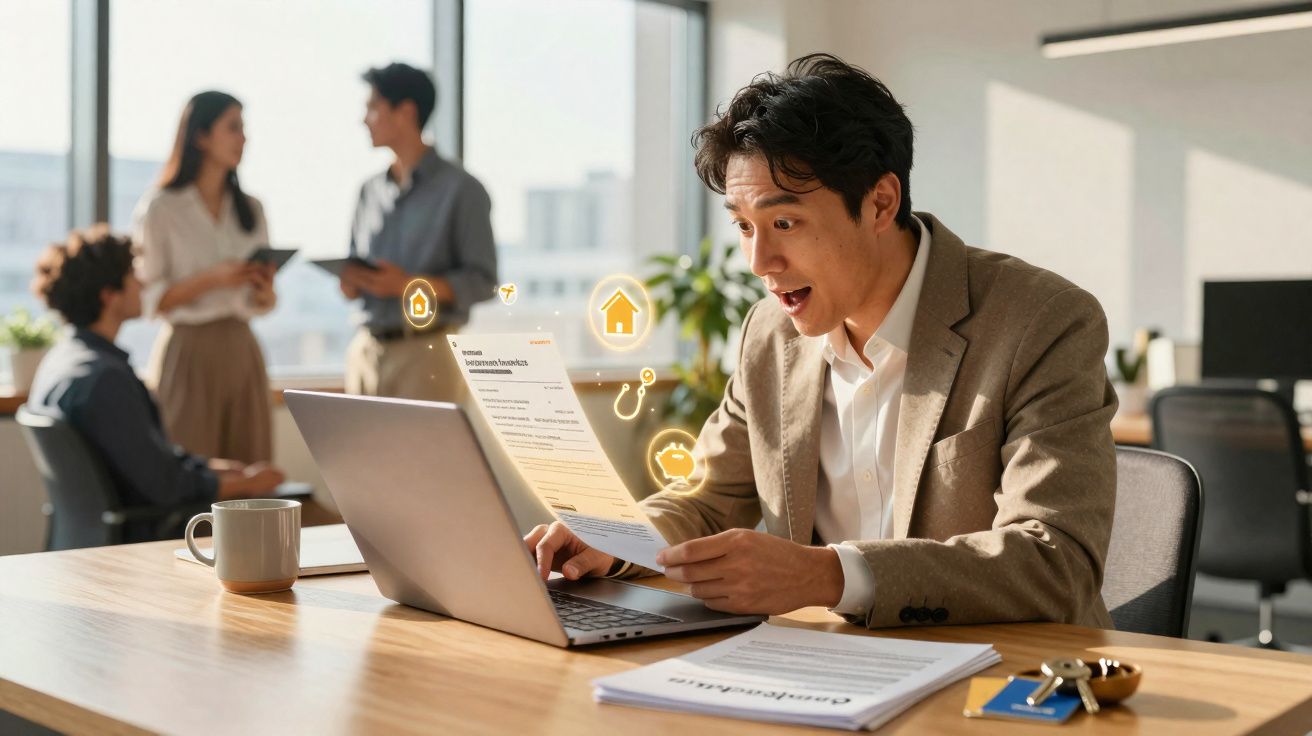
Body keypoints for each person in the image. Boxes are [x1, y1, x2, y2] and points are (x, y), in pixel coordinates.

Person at [527, 54, 1118, 630]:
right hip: (825, 672)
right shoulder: (770, 333)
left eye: (784, 223)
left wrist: (828, 577)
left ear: (880, 202)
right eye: (743, 226)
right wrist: (612, 536)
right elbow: (707, 500)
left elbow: (1055, 561)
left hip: (1001, 674)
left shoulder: (1042, 320)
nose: (760, 261)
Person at [28, 226, 285, 542]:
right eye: (132, 276)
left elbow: (145, 459)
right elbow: (165, 486)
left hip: (84, 541)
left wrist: (212, 468)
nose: (143, 283)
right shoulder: (104, 379)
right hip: (142, 543)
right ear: (109, 295)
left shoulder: (63, 363)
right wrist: (247, 484)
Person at [339, 62, 497, 402]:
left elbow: (483, 282)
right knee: (359, 457)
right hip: (366, 351)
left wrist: (408, 286)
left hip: (426, 355)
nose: (364, 119)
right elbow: (356, 266)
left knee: (427, 457)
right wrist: (352, 282)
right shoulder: (369, 191)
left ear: (405, 112)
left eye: (372, 108)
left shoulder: (462, 190)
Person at [133, 91, 277, 463]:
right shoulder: (160, 207)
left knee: (252, 477)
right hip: (187, 352)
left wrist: (263, 293)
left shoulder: (253, 209)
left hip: (243, 349)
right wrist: (212, 279)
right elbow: (148, 299)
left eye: (244, 129)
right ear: (200, 136)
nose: (243, 139)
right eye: (233, 128)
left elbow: (263, 303)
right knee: (189, 475)